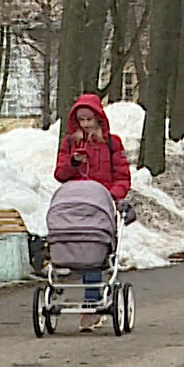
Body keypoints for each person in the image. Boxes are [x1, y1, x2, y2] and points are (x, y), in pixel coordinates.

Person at [54, 92, 131, 331]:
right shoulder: (70, 143)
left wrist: (111, 196)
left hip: (101, 205)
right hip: (75, 204)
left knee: (94, 250)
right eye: (81, 120)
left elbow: (122, 176)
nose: (86, 124)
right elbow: (60, 174)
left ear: (99, 118)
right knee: (77, 243)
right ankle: (78, 292)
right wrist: (74, 162)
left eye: (89, 119)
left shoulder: (112, 143)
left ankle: (92, 302)